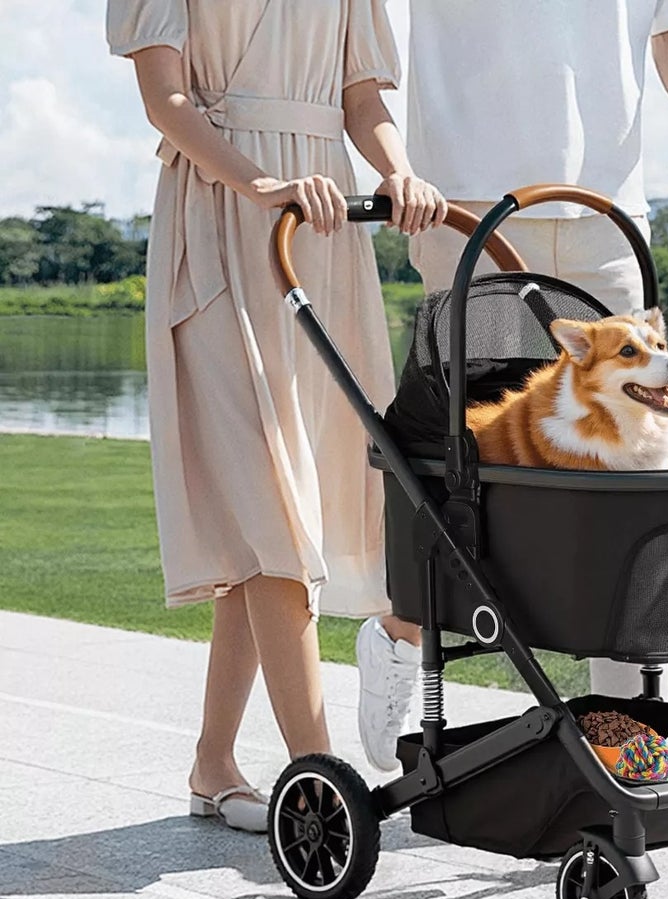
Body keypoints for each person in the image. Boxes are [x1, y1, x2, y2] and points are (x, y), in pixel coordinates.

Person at [356, 0, 668, 771]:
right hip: (466, 200)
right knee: (468, 462)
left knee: (635, 469)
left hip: (607, 212)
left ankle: (630, 735)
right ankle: (404, 632)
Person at [107, 0, 443, 830]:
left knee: (281, 519)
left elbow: (363, 96)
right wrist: (260, 183)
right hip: (221, 219)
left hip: (322, 227)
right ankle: (319, 784)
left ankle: (212, 764)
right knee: (273, 505)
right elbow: (165, 100)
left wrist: (398, 170)